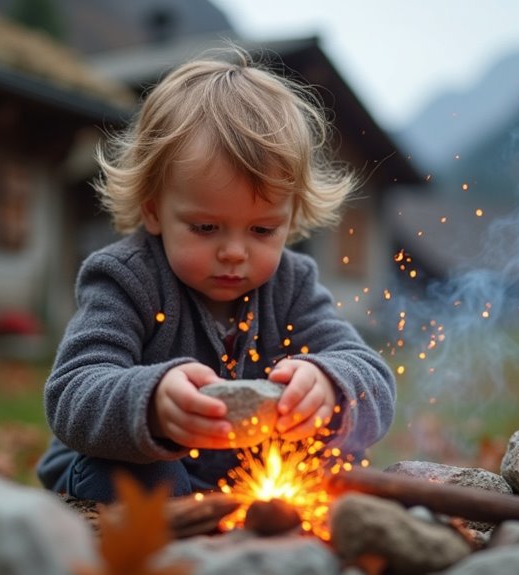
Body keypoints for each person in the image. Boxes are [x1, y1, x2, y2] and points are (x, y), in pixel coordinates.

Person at [37, 47, 396, 501]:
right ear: (153, 211)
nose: (232, 252)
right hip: (129, 464)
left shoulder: (291, 283)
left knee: (340, 461)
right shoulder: (125, 278)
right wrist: (151, 404)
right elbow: (72, 391)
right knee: (148, 478)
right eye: (206, 227)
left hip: (245, 476)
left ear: (291, 217)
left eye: (263, 229)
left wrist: (330, 384)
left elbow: (373, 379)